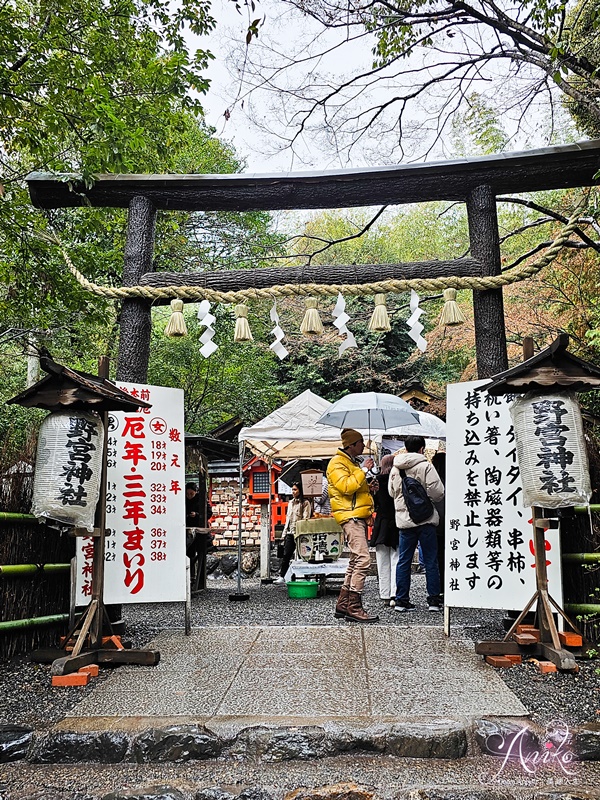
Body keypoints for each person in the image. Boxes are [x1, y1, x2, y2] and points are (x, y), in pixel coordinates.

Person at [327, 428, 379, 623]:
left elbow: (354, 489)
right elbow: (346, 487)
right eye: (360, 443)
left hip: (356, 515)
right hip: (351, 517)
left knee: (355, 560)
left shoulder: (349, 463)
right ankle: (354, 607)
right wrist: (364, 470)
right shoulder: (337, 463)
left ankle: (343, 604)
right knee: (364, 559)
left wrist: (369, 487)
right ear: (351, 445)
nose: (363, 446)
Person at [389, 435, 445, 612]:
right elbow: (438, 492)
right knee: (430, 560)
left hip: (405, 521)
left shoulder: (395, 468)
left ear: (405, 448)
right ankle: (434, 601)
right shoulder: (426, 466)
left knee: (404, 560)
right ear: (422, 448)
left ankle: (401, 600)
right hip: (425, 519)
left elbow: (392, 493)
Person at [369, 454, 399, 607]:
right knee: (396, 559)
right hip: (396, 522)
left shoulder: (376, 482)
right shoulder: (398, 479)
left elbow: (373, 505)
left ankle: (384, 593)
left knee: (382, 562)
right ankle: (395, 593)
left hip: (381, 524)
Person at [274, 481, 311, 584]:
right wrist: (284, 533)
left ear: (300, 490)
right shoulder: (290, 503)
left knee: (303, 555)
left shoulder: (305, 503)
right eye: (292, 489)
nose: (293, 492)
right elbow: (288, 519)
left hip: (300, 532)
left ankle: (307, 576)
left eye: (295, 489)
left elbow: (305, 518)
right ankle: (282, 576)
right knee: (286, 555)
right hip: (290, 532)